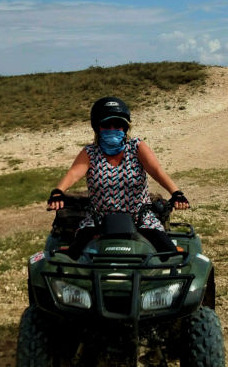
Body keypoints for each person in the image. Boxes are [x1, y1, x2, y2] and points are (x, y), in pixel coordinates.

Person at [47, 96, 190, 259]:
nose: (113, 129)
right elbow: (74, 173)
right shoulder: (90, 153)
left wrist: (176, 193)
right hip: (99, 219)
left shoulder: (136, 147)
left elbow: (156, 171)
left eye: (118, 125)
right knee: (73, 260)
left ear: (125, 128)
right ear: (97, 128)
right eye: (106, 125)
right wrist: (58, 191)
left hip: (140, 218)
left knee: (171, 257)